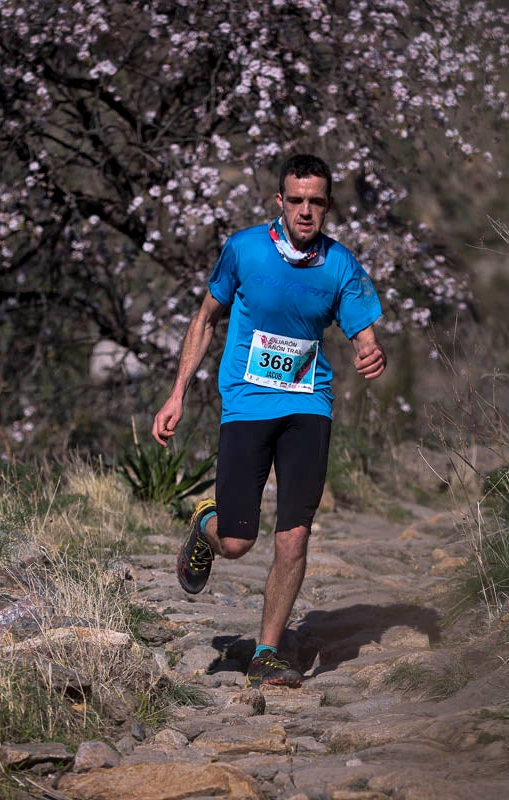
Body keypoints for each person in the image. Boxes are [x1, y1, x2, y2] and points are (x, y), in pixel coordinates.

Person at [152, 153, 387, 688]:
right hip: (247, 403)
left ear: (328, 206)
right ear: (280, 201)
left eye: (316, 202)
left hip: (308, 403)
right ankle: (205, 525)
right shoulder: (244, 249)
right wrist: (176, 394)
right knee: (238, 543)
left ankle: (266, 652)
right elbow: (205, 319)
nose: (306, 211)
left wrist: (372, 354)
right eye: (296, 200)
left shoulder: (340, 265)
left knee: (293, 537)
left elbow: (365, 337)